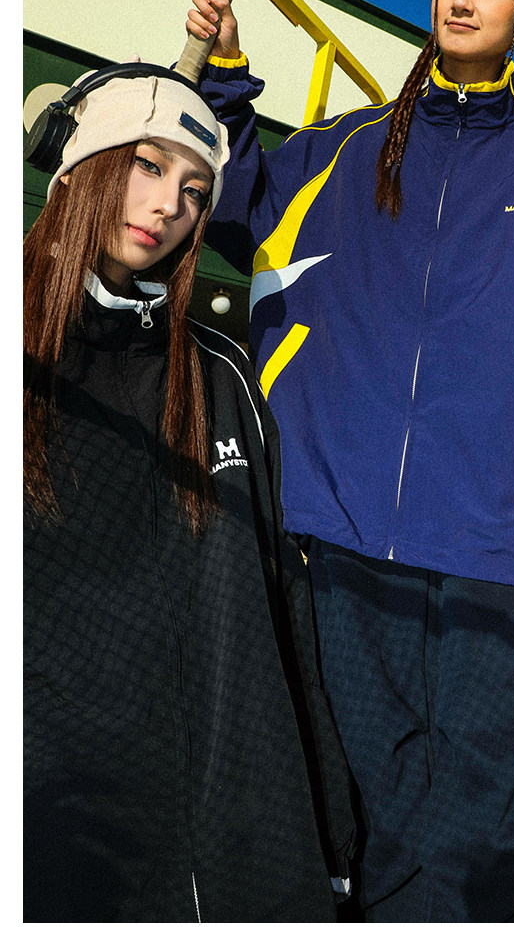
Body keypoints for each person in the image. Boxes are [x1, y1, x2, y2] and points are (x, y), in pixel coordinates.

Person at [183, 0, 514, 922]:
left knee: (494, 834)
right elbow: (224, 203)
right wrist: (223, 72)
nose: (462, 1)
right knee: (370, 818)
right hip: (344, 535)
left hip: (506, 547)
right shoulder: (345, 148)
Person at [23, 63, 356, 922]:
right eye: (147, 164)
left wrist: (330, 830)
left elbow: (285, 613)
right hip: (72, 851)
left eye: (195, 189)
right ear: (79, 167)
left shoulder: (220, 377)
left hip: (245, 848)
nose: (168, 204)